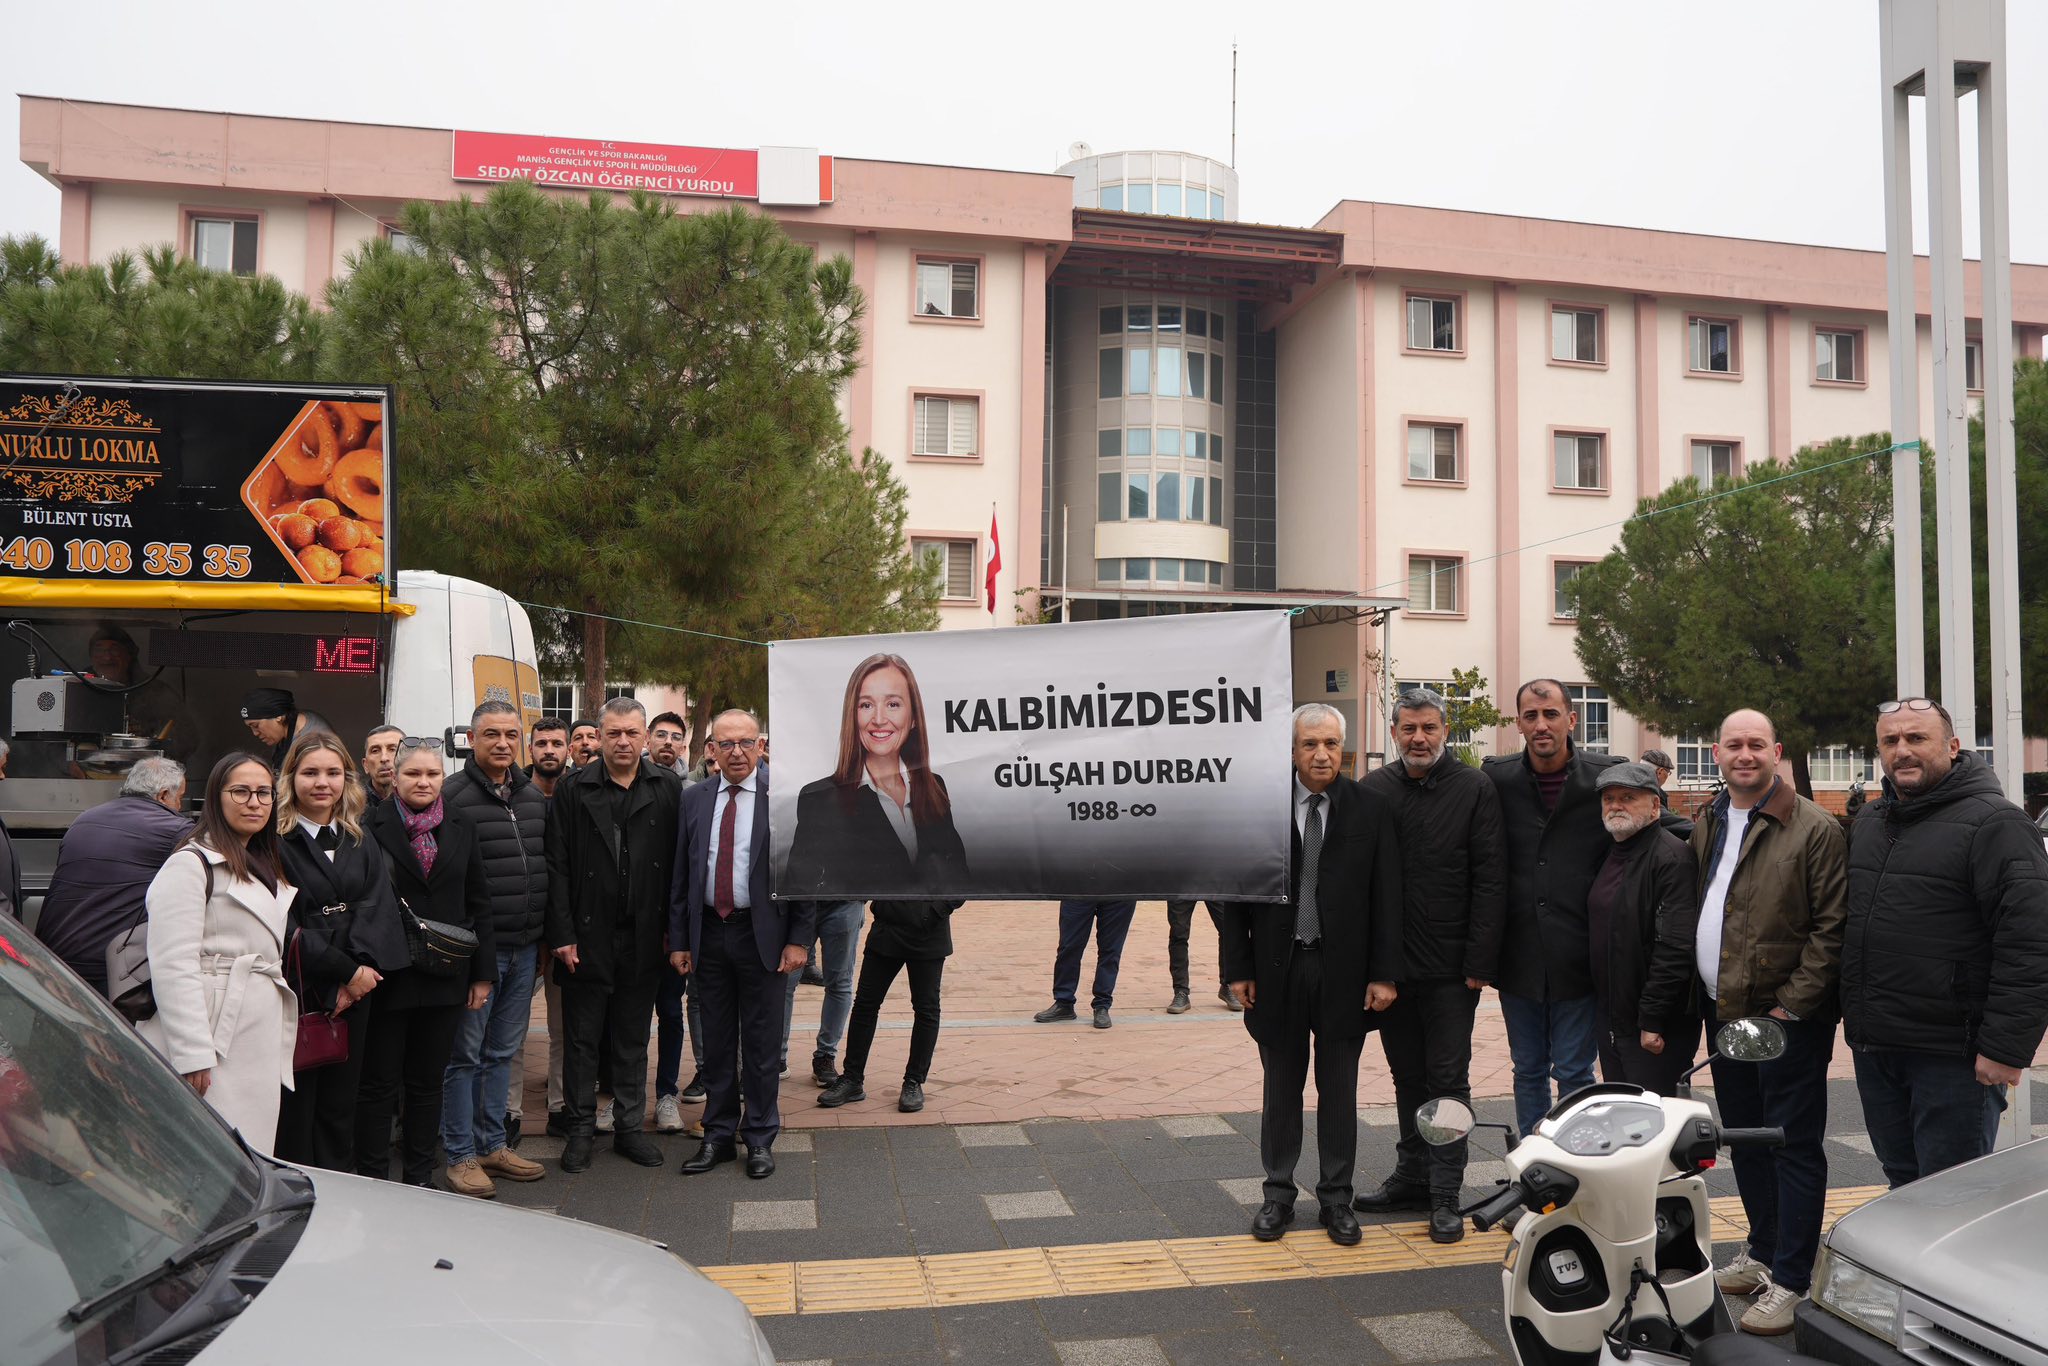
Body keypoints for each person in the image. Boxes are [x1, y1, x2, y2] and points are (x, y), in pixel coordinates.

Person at [1688, 708, 1847, 1336]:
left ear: (1776, 751)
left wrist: (1790, 1007)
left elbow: (1831, 929)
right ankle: (1762, 1250)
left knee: (1793, 1145)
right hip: (1724, 1010)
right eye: (1734, 745)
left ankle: (1791, 1277)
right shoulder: (1709, 820)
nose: (1745, 754)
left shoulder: (1813, 827)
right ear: (1717, 753)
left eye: (1757, 744)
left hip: (1784, 1020)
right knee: (1747, 1139)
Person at [1845, 698, 2048, 1187]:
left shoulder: (1997, 823)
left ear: (1953, 747)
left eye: (1917, 738)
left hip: (1954, 1058)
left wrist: (2005, 1048)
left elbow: (2031, 943)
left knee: (1951, 1198)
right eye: (1890, 741)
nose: (1902, 751)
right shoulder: (1872, 822)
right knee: (1902, 1188)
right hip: (1878, 1050)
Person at [1221, 704, 1403, 1247]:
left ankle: (1336, 1197)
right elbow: (1238, 894)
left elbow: (1387, 896)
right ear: (1293, 750)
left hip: (1343, 970)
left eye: (1330, 744)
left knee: (1339, 1087)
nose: (1320, 754)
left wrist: (1385, 974)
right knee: (1280, 1086)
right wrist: (1238, 968)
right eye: (1308, 744)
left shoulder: (1371, 808)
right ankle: (1278, 1194)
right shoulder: (1263, 810)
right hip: (1278, 970)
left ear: (1342, 750)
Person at [1354, 688, 1505, 1243]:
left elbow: (1491, 878)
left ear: (1446, 731)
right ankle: (1412, 1176)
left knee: (1447, 1082)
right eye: (1409, 729)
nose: (1419, 738)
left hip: (1451, 970)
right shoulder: (1373, 790)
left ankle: (1445, 1192)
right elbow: (1361, 884)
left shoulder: (1474, 789)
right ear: (1393, 733)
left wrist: (1479, 962)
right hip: (1393, 968)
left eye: (1430, 728)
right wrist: (1374, 967)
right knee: (1405, 1078)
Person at [1481, 679, 1630, 1136]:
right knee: (1526, 1068)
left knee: (1575, 1070)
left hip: (1580, 954)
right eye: (1531, 716)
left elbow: (1655, 828)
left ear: (1572, 718)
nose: (1541, 725)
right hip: (1519, 954)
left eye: (1550, 714)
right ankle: (1533, 1165)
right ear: (1519, 723)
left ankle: (1573, 1160)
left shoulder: (1608, 776)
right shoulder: (1496, 778)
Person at [669, 707, 813, 1179]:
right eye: (725, 744)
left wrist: (797, 940)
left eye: (745, 743)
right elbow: (682, 874)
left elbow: (802, 876)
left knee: (761, 1041)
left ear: (761, 746)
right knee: (714, 1038)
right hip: (708, 932)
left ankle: (759, 1136)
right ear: (710, 750)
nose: (736, 752)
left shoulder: (783, 798)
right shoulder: (694, 799)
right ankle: (717, 1134)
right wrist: (679, 939)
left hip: (763, 935)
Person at [546, 698, 683, 1173]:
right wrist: (561, 933)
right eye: (613, 733)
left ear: (645, 737)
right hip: (586, 937)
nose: (623, 742)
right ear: (598, 737)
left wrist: (674, 932)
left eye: (631, 733)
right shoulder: (573, 788)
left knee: (631, 1038)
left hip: (645, 936)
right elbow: (557, 864)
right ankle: (580, 1129)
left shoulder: (668, 787)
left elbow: (678, 871)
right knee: (583, 1041)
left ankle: (628, 1129)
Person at [137, 752, 297, 1153]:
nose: (254, 802)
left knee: (246, 1151)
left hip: (254, 1026)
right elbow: (173, 964)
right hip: (212, 1032)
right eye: (240, 791)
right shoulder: (190, 864)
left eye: (263, 793)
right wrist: (192, 1053)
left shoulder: (262, 860)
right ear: (215, 798)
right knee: (207, 1152)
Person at [360, 738, 495, 1186]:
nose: (423, 782)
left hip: (445, 975)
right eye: (413, 774)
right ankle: (375, 1176)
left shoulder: (461, 825)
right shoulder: (368, 825)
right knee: (379, 1084)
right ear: (393, 777)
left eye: (432, 774)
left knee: (426, 1082)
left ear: (443, 777)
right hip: (389, 973)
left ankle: (420, 1175)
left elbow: (479, 902)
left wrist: (482, 974)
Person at [272, 731, 408, 1172]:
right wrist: (342, 972)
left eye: (332, 773)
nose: (322, 783)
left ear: (346, 780)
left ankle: (338, 1184)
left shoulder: (358, 836)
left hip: (358, 990)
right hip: (301, 988)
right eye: (310, 773)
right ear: (291, 779)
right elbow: (282, 921)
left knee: (342, 1100)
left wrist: (360, 975)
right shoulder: (273, 842)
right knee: (296, 1098)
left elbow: (378, 907)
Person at [438, 701, 551, 1197]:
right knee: (464, 1056)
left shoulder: (531, 795)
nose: (502, 743)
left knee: (502, 1052)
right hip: (476, 953)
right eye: (491, 734)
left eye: (510, 734)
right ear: (471, 738)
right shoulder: (452, 797)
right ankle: (460, 1154)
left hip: (525, 948)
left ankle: (490, 1144)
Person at [783, 653, 970, 898]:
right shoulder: (820, 798)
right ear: (852, 715)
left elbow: (958, 876)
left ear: (913, 717)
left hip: (934, 934)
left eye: (893, 704)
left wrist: (926, 914)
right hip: (864, 933)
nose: (879, 719)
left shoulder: (934, 786)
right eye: (866, 705)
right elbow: (802, 890)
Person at [31, 756, 189, 992]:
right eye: (180, 799)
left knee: (52, 1028)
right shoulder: (175, 829)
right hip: (109, 966)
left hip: (54, 956)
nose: (180, 807)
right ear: (164, 795)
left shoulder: (84, 819)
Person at [1587, 762, 1699, 1095]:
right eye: (1608, 799)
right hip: (1614, 1020)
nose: (1616, 806)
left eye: (1627, 797)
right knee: (1624, 1119)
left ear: (1654, 807)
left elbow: (1675, 948)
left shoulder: (1672, 859)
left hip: (1654, 1029)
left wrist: (1652, 1020)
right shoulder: (1612, 852)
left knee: (1654, 1122)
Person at [818, 894, 961, 1113]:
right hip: (886, 930)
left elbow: (962, 882)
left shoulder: (948, 856)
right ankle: (852, 1079)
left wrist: (932, 912)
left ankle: (914, 1081)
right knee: (865, 1005)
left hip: (929, 934)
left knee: (926, 1009)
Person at [782, 897, 864, 1086]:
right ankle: (776, 1056)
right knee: (783, 983)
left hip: (845, 899)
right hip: (796, 899)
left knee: (839, 984)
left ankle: (825, 1056)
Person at [88, 623, 198, 762]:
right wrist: (69, 765)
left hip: (145, 775)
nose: (107, 657)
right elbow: (55, 743)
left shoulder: (155, 692)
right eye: (99, 650)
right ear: (91, 657)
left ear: (129, 656)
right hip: (89, 774)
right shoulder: (78, 690)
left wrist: (149, 739)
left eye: (114, 650)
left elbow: (188, 737)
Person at [1034, 901, 1137, 1029]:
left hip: (1120, 894)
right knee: (1069, 947)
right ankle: (1064, 1002)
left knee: (1111, 951)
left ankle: (1102, 1006)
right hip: (1079, 890)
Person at [240, 687, 333, 771]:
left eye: (256, 726)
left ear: (278, 717)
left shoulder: (312, 742)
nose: (255, 733)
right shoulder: (291, 724)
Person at [1164, 901, 1231, 1013]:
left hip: (1216, 885)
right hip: (1182, 886)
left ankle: (1228, 985)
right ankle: (1181, 991)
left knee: (1228, 930)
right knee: (1178, 934)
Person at [527, 719, 571, 801]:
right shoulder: (511, 794)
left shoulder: (582, 796)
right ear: (530, 750)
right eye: (541, 744)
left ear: (569, 751)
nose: (549, 751)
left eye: (557, 744)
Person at [362, 724, 403, 807]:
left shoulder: (426, 803)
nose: (384, 758)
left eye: (392, 749)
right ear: (365, 765)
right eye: (375, 751)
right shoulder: (351, 807)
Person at [650, 712, 690, 777]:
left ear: (682, 749)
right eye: (661, 735)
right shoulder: (630, 782)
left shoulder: (693, 787)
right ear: (647, 741)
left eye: (676, 737)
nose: (668, 742)